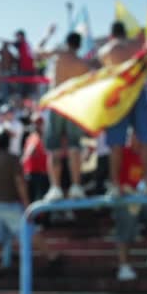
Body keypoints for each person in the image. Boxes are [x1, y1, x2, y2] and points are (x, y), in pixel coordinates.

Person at [0, 131, 59, 276]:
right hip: (8, 202)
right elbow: (20, 183)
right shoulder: (12, 159)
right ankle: (50, 256)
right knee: (29, 230)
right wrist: (27, 204)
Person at [97, 22, 147, 198]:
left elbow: (104, 73)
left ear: (111, 34)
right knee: (144, 139)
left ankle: (114, 185)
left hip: (118, 95)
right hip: (137, 91)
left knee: (116, 143)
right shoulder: (137, 45)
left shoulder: (106, 51)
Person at [38, 32, 90, 201]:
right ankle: (76, 186)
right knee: (75, 146)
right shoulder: (83, 64)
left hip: (57, 103)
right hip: (73, 105)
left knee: (54, 148)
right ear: (79, 46)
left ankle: (55, 188)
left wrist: (48, 33)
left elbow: (37, 52)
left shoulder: (59, 54)